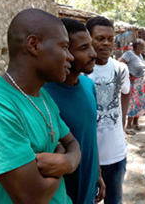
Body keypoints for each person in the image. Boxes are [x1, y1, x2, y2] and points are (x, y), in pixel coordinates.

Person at [0, 8, 81, 203]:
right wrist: (62, 153)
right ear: (33, 45)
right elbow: (32, 197)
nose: (70, 57)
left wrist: (67, 161)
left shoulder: (42, 95)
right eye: (64, 47)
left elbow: (72, 143)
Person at [44, 18, 105, 204]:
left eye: (91, 46)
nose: (93, 54)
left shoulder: (88, 85)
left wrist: (98, 174)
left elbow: (90, 135)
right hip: (64, 196)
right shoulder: (44, 96)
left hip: (89, 191)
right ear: (65, 52)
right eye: (83, 48)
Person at [86, 16, 131, 204]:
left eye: (110, 39)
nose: (106, 43)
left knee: (115, 201)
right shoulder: (81, 72)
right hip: (88, 158)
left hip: (116, 155)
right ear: (88, 39)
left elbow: (126, 93)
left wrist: (121, 123)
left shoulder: (121, 68)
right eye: (99, 38)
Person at [119, 39, 145, 132]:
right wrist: (128, 74)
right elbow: (119, 63)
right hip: (134, 84)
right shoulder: (129, 54)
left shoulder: (140, 55)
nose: (142, 49)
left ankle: (135, 123)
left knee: (140, 103)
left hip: (142, 84)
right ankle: (128, 125)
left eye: (143, 47)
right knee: (132, 104)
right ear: (135, 47)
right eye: (141, 47)